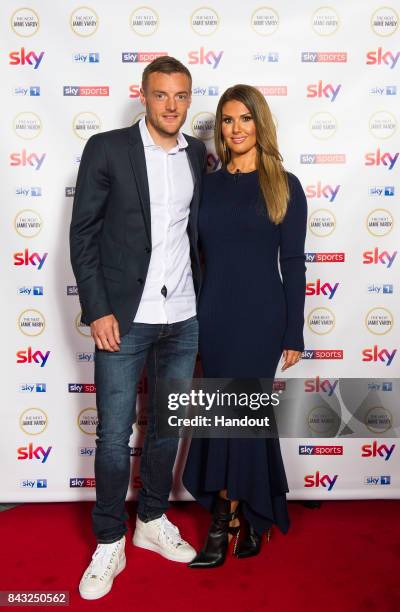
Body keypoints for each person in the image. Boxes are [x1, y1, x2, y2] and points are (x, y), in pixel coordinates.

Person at [69, 56, 207, 599]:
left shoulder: (198, 155)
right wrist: (97, 308)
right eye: (161, 95)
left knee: (167, 429)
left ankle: (151, 520)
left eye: (181, 96)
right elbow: (83, 235)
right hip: (123, 320)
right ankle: (109, 540)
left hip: (184, 318)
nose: (172, 106)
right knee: (112, 435)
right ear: (143, 96)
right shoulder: (106, 148)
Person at [183, 84, 307, 568]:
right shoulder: (207, 186)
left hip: (261, 316)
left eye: (245, 119)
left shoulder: (283, 183)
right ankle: (255, 516)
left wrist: (293, 331)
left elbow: (293, 263)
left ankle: (221, 519)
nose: (236, 129)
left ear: (260, 123)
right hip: (213, 314)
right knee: (231, 417)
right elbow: (193, 256)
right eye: (228, 120)